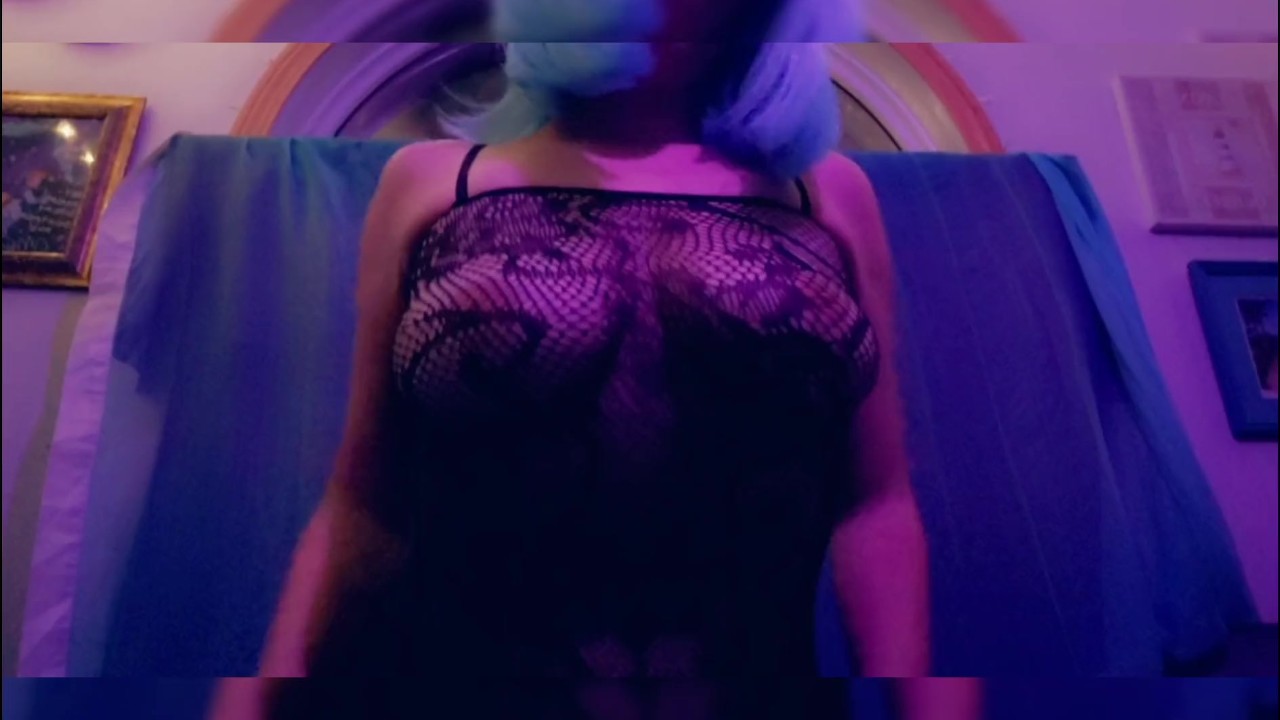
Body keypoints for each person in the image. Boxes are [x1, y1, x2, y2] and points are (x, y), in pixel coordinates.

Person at [232, 1, 982, 718]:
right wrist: (256, 701)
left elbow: (875, 505)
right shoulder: (432, 184)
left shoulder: (829, 196)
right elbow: (367, 504)